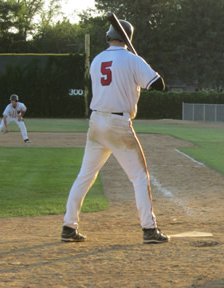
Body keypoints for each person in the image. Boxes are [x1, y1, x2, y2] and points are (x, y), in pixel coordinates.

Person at [61, 19, 169, 244]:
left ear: (109, 36)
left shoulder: (97, 60)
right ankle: (149, 229)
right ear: (129, 38)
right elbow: (159, 85)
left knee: (85, 176)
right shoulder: (132, 59)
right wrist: (141, 66)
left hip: (96, 122)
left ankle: (69, 227)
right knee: (140, 178)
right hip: (118, 124)